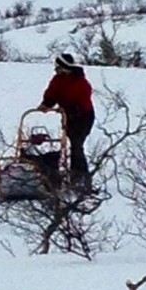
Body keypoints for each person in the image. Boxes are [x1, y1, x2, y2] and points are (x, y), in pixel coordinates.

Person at [36, 52, 95, 189]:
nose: (56, 69)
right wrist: (46, 104)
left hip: (83, 117)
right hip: (68, 116)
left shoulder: (81, 83)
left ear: (64, 67)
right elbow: (52, 93)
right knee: (70, 142)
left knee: (76, 144)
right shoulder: (58, 79)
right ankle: (68, 174)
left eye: (58, 67)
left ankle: (80, 177)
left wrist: (67, 109)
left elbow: (82, 104)